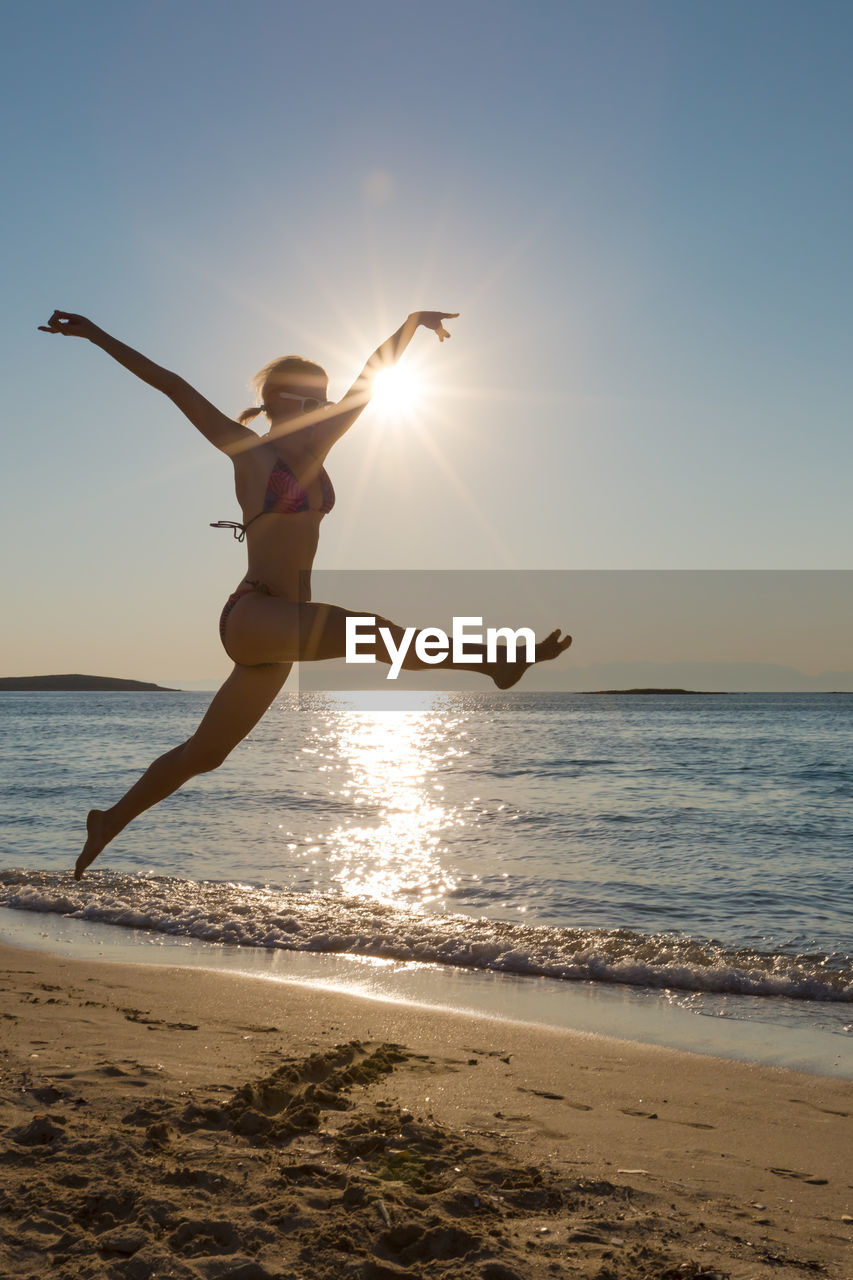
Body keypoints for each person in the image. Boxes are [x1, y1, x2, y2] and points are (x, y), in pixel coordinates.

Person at [39, 309, 571, 880]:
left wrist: (412, 323)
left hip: (282, 633)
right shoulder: (248, 451)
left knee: (206, 754)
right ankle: (493, 661)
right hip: (254, 613)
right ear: (278, 403)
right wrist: (94, 333)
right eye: (310, 400)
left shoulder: (320, 450)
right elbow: (171, 384)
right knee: (366, 630)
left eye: (323, 400)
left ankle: (109, 820)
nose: (323, 408)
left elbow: (369, 380)